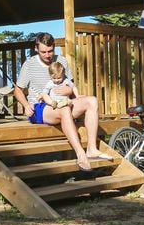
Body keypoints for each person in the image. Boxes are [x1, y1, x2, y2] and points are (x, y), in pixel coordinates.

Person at [12, 32, 108, 172]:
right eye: (43, 52)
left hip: (63, 103)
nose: (47, 55)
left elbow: (71, 86)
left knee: (91, 101)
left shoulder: (61, 61)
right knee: (64, 110)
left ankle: (92, 149)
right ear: (36, 48)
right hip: (40, 108)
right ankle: (80, 154)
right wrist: (26, 106)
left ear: (54, 48)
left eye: (50, 51)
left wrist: (68, 91)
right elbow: (17, 90)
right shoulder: (30, 64)